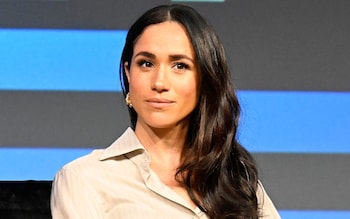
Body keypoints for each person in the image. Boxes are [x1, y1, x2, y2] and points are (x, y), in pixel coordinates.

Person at [51, 4, 281, 219]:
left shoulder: (236, 182)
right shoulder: (86, 178)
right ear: (128, 73)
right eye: (146, 64)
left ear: (205, 79)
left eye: (180, 66)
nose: (160, 82)